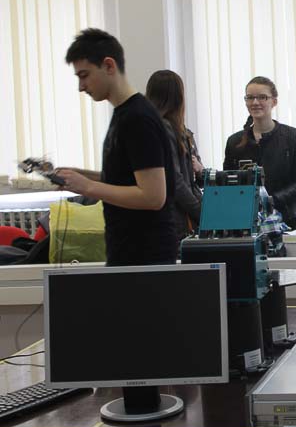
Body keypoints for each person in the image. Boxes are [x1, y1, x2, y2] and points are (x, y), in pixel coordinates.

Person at [58, 28, 177, 266]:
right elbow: (124, 179)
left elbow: (153, 196)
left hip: (144, 257)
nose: (81, 86)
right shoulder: (124, 115)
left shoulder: (138, 118)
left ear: (109, 66)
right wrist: (78, 176)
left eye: (84, 75)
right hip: (128, 251)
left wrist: (89, 187)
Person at [223, 76, 296, 229]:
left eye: (262, 97)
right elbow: (228, 183)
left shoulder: (293, 137)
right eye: (250, 97)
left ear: (274, 102)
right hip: (247, 221)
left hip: (287, 219)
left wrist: (272, 200)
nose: (255, 102)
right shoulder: (234, 142)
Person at [145, 69, 203, 243]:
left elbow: (194, 178)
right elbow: (175, 181)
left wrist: (201, 170)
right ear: (179, 97)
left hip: (178, 219)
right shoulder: (164, 129)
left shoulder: (184, 133)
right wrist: (201, 211)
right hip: (175, 221)